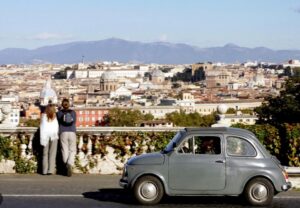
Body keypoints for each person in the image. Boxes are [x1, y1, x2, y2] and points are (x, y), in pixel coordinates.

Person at [57, 98, 77, 177]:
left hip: (63, 132)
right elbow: (74, 122)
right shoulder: (73, 112)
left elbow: (58, 122)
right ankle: (70, 163)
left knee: (64, 149)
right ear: (69, 104)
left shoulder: (59, 113)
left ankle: (66, 165)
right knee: (72, 150)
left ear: (62, 105)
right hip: (72, 131)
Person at [40, 103, 59, 175]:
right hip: (53, 136)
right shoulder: (55, 116)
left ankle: (44, 170)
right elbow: (56, 127)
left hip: (45, 136)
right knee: (52, 153)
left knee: (45, 154)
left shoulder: (43, 116)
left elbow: (42, 127)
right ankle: (50, 170)